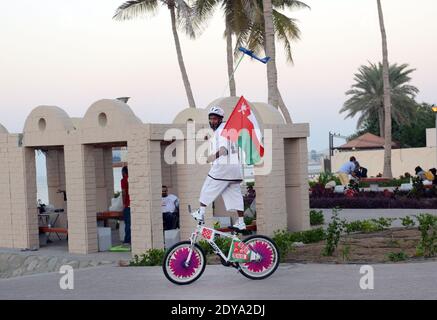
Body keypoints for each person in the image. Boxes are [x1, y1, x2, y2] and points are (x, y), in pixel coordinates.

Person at [191, 106, 246, 230]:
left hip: (223, 167)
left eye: (215, 119)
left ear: (221, 119)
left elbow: (223, 149)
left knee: (207, 186)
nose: (212, 121)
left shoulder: (221, 132)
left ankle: (201, 213)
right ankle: (241, 222)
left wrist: (212, 157)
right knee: (235, 194)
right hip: (235, 170)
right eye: (210, 119)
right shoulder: (227, 129)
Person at [121, 166, 131, 245]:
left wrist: (124, 204)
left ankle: (127, 240)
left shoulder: (124, 180)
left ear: (124, 173)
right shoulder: (132, 179)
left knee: (128, 223)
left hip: (128, 205)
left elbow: (124, 193)